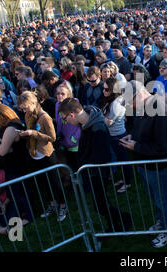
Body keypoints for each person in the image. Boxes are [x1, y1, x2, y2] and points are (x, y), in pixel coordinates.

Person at [58, 97, 132, 232]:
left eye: (65, 118)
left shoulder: (98, 128)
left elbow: (102, 156)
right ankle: (116, 225)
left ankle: (123, 220)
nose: (65, 121)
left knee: (101, 206)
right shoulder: (86, 122)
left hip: (98, 173)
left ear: (72, 115)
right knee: (101, 205)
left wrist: (85, 167)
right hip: (92, 172)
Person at [119, 80, 167, 248]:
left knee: (163, 199)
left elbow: (163, 147)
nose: (129, 104)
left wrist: (136, 146)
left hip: (156, 167)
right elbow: (140, 131)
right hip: (143, 164)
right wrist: (131, 137)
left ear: (139, 94)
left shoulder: (159, 110)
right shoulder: (143, 107)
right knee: (155, 198)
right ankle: (162, 221)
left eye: (130, 100)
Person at [17, 91, 67, 222]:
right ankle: (52, 204)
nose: (24, 110)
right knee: (43, 182)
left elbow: (52, 137)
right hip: (34, 154)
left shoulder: (45, 117)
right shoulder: (28, 115)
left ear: (34, 103)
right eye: (22, 108)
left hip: (47, 155)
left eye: (26, 107)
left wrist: (33, 133)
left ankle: (63, 205)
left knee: (55, 182)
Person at [54, 82, 81, 170]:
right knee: (67, 165)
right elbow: (58, 121)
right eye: (58, 93)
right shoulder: (57, 104)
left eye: (62, 94)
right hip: (63, 141)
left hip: (74, 143)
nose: (59, 96)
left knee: (76, 166)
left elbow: (80, 123)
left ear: (68, 94)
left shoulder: (74, 103)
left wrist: (74, 139)